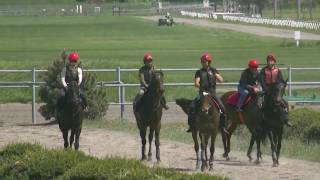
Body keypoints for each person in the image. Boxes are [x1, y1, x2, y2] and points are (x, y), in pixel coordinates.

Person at [187, 53, 227, 133]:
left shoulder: (213, 70)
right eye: (202, 61)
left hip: (212, 93)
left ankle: (223, 127)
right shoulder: (199, 72)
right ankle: (192, 126)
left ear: (209, 62)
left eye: (206, 61)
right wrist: (200, 86)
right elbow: (196, 83)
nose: (204, 63)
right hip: (203, 93)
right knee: (192, 107)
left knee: (223, 108)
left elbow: (221, 80)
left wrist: (217, 77)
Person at [260, 54, 291, 126]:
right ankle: (260, 119)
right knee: (261, 104)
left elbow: (281, 81)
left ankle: (286, 119)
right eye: (268, 61)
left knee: (285, 103)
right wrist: (266, 89)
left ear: (274, 62)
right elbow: (261, 80)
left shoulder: (278, 71)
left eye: (271, 61)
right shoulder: (263, 70)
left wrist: (281, 86)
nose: (270, 62)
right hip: (267, 90)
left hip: (276, 90)